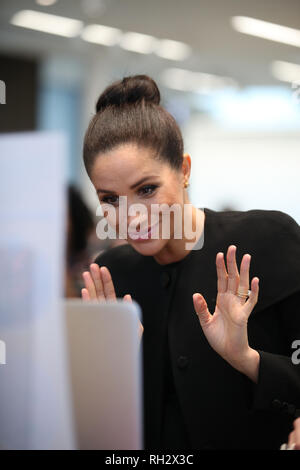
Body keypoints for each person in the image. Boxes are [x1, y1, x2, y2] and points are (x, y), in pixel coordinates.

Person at [81, 75, 300, 450]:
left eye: (146, 190)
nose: (130, 215)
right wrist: (112, 371)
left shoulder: (268, 241)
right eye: (110, 198)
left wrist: (247, 359)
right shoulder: (113, 277)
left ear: (183, 170)